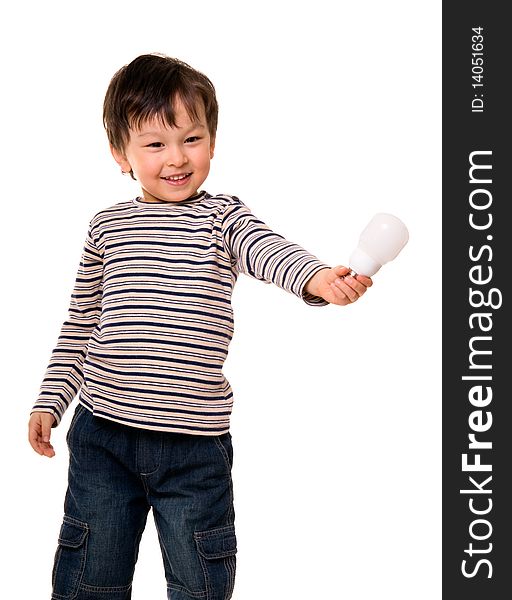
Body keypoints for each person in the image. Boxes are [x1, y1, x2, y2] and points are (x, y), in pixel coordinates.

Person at [28, 53, 372, 600]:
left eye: (191, 138)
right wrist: (51, 400)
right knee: (90, 576)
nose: (176, 158)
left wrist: (316, 280)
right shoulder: (106, 226)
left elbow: (269, 251)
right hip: (103, 439)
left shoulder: (222, 218)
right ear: (121, 154)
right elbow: (80, 323)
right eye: (155, 144)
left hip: (193, 450)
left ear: (212, 140)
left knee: (200, 585)